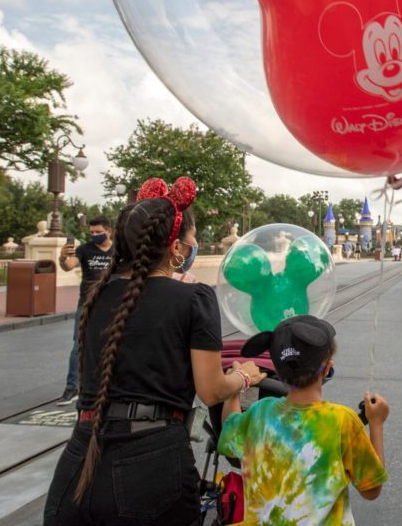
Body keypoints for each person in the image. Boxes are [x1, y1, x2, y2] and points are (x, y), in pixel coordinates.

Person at [43, 177, 266, 526]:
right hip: (151, 465)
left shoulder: (97, 295)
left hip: (78, 464)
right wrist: (243, 376)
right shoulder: (194, 298)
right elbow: (210, 390)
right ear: (176, 248)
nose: (193, 246)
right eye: (192, 240)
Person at [219, 315, 389, 525]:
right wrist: (376, 424)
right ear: (328, 368)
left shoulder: (259, 413)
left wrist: (237, 384)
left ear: (278, 373)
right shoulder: (342, 420)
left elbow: (230, 432)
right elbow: (371, 490)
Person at [56, 216, 115, 406]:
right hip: (87, 303)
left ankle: (109, 385)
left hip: (112, 302)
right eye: (92, 233)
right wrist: (62, 257)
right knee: (79, 344)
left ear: (109, 231)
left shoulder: (119, 250)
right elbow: (68, 266)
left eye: (98, 232)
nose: (95, 235)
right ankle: (72, 387)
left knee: (112, 343)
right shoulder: (84, 250)